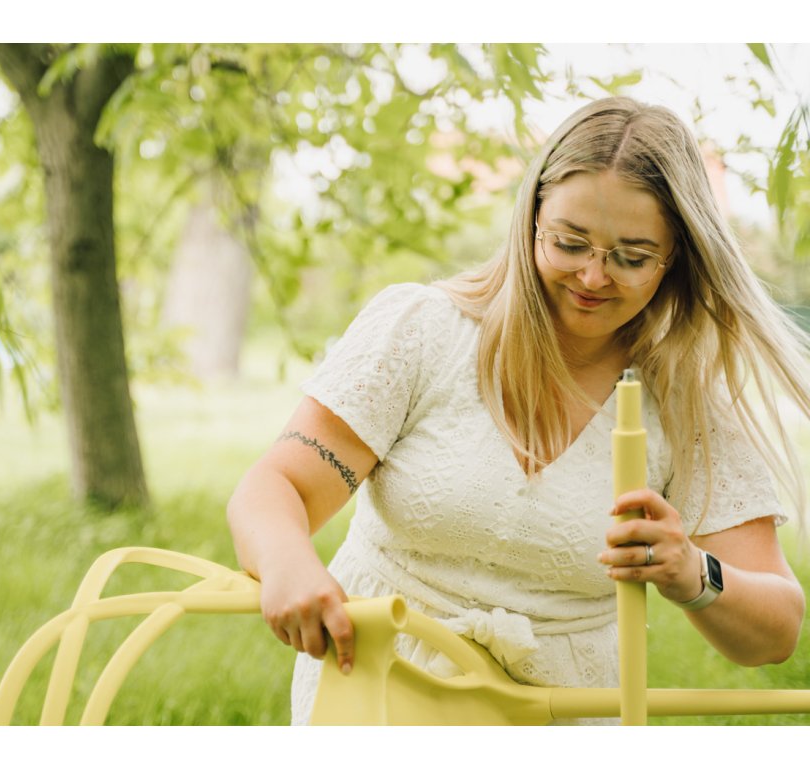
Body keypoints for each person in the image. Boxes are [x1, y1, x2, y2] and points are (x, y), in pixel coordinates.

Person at [226, 96, 808, 725]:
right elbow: (277, 485)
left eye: (632, 257)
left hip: (559, 720)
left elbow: (775, 633)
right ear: (531, 219)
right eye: (570, 243)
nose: (593, 277)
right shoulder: (422, 332)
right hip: (375, 696)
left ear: (675, 260)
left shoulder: (687, 407)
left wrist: (694, 572)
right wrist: (288, 564)